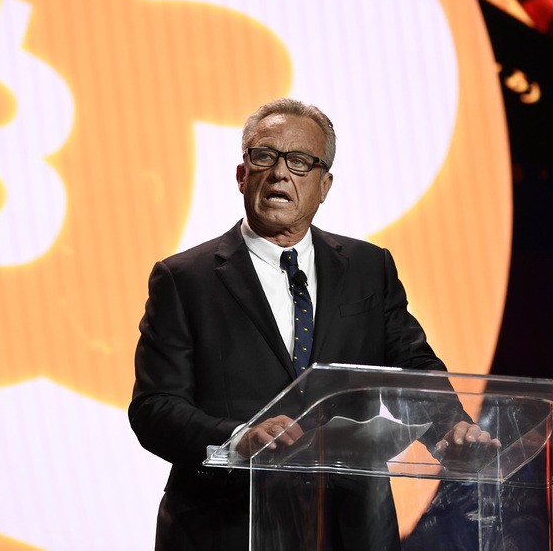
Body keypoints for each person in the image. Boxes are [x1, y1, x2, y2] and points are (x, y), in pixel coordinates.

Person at [128, 98, 498, 550]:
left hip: (350, 526)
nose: (280, 173)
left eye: (301, 161)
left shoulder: (368, 268)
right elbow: (155, 408)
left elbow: (412, 366)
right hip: (225, 526)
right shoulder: (185, 279)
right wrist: (239, 439)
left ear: (325, 185)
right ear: (242, 175)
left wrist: (451, 431)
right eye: (264, 156)